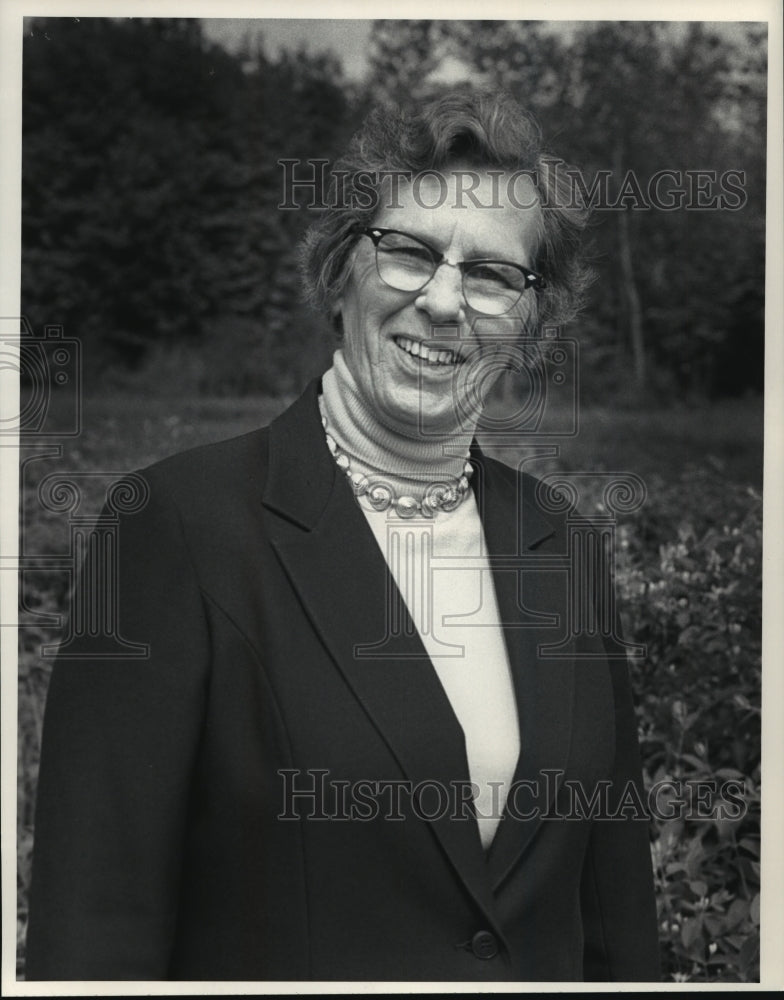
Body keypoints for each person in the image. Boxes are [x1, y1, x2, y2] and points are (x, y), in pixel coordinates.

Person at [25, 90, 660, 982]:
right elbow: (96, 924)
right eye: (408, 252)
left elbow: (618, 924)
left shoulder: (568, 549)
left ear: (528, 321)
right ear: (341, 267)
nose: (444, 303)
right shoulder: (172, 525)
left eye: (490, 275)